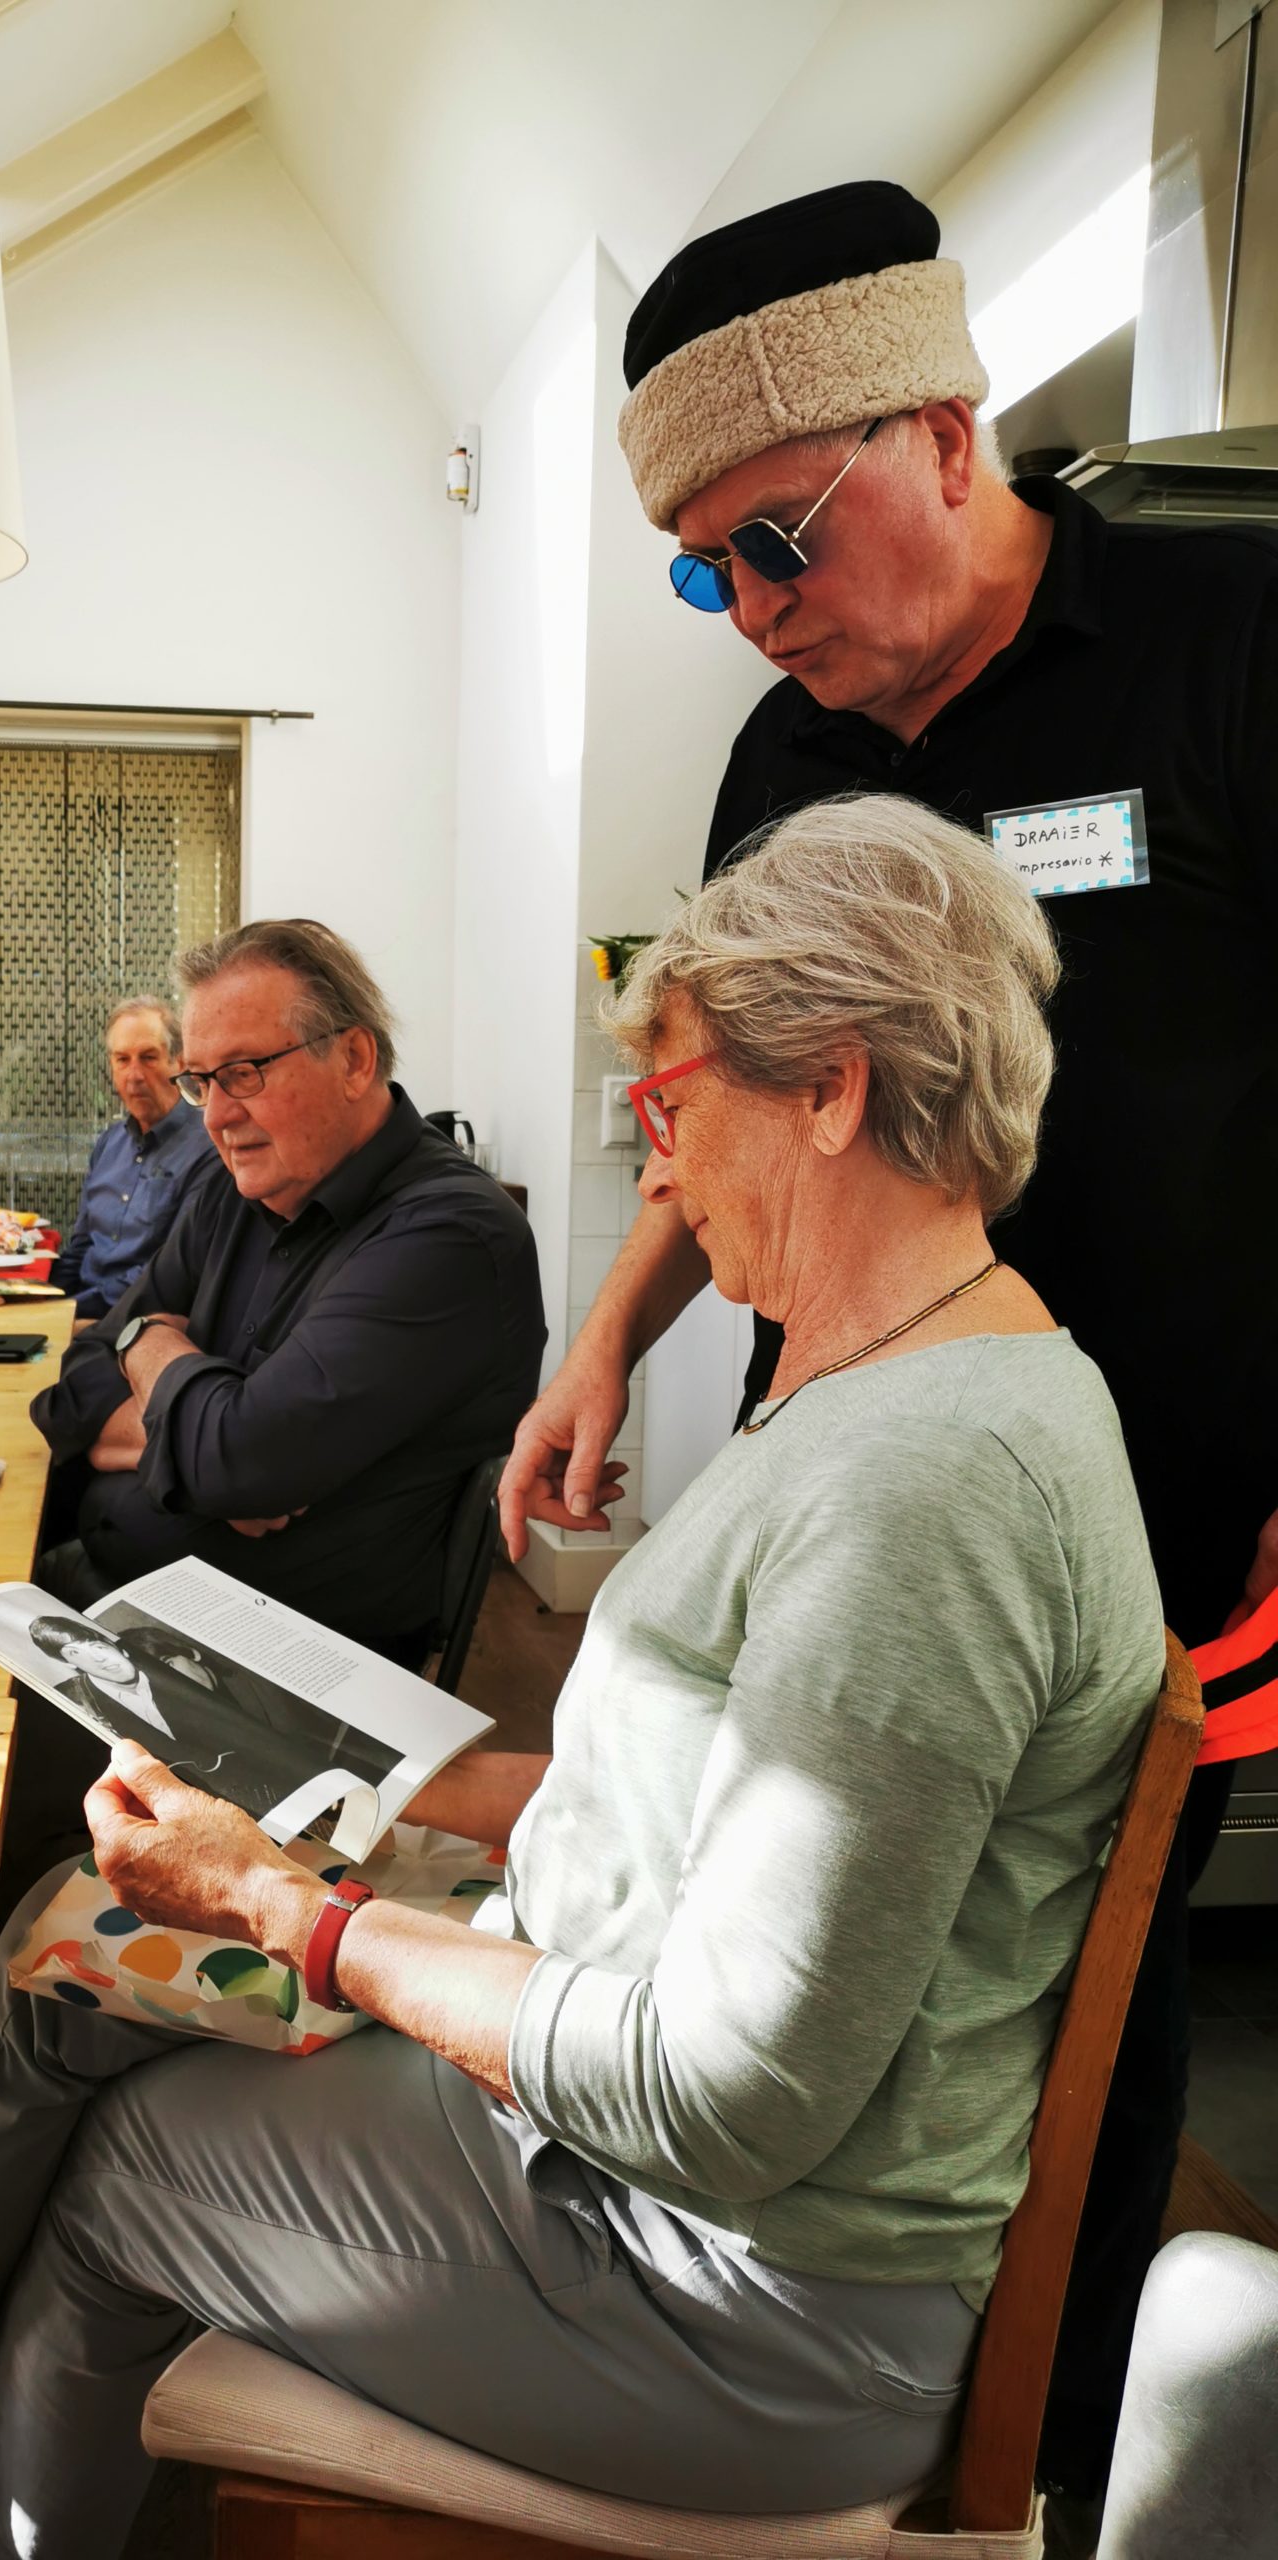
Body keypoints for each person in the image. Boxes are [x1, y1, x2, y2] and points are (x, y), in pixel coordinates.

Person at [0, 800, 1164, 2560]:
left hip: (734, 2302)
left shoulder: (922, 1488)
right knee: (101, 2011)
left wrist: (291, 1911)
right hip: (632, 2154)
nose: (654, 1177)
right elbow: (685, 1810)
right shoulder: (907, 1382)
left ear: (833, 1087)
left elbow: (726, 2099)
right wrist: (360, 1791)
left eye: (671, 1109)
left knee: (122, 2157)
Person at [498, 178, 1278, 2503]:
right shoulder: (786, 765)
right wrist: (600, 1343)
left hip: (1165, 1531)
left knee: (1082, 2019)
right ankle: (752, 2352)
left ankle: (1030, 2465)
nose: (754, 610)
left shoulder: (1228, 637)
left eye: (778, 540)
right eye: (702, 572)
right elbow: (718, 1095)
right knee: (788, 1937)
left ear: (945, 436)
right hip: (837, 1503)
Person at [3, 919, 541, 1913]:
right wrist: (188, 1412)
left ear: (355, 1058)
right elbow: (75, 1384)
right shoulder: (234, 1188)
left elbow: (236, 1459)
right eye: (201, 1081)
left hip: (270, 1691)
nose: (218, 1114)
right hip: (133, 1609)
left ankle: (37, 1954)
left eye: (244, 1072)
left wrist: (161, 1369)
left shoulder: (450, 1233)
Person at [22, 1611, 398, 1826]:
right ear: (70, 1663)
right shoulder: (97, 1704)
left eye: (96, 1645)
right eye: (78, 1653)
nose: (100, 1658)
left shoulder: (251, 1697)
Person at [49, 996, 216, 1318]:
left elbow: (171, 1273)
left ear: (179, 1064)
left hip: (139, 1320)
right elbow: (81, 1248)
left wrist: (68, 1313)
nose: (134, 1075)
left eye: (148, 1058)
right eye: (122, 1060)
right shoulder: (109, 1144)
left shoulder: (207, 1150)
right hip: (81, 1311)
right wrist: (39, 1300)